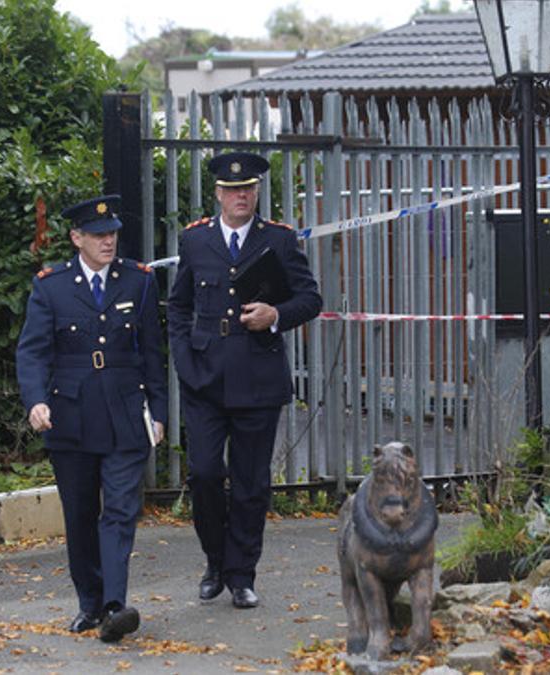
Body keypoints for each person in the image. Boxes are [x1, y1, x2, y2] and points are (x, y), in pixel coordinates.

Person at [167, 151, 322, 609]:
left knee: (252, 483)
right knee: (205, 473)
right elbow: (177, 306)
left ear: (257, 192)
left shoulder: (278, 239)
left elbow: (309, 299)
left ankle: (241, 574)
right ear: (218, 194)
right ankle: (215, 560)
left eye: (249, 189)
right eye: (233, 190)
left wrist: (276, 315)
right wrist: (183, 358)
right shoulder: (195, 241)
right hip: (206, 378)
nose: (242, 196)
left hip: (257, 378)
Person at [15, 194, 168, 642]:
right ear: (76, 237)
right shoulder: (51, 286)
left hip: (124, 412)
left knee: (120, 511)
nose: (109, 241)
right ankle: (90, 602)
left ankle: (116, 605)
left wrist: (157, 411)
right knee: (81, 514)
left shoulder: (138, 281)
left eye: (113, 233)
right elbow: (33, 352)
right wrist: (35, 401)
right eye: (99, 235)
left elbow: (153, 354)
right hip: (71, 414)